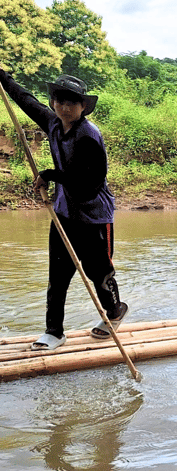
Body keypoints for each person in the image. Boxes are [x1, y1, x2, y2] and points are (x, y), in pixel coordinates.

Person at [0, 67, 128, 350]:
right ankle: (54, 331)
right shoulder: (53, 123)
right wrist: (4, 78)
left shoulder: (88, 137)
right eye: (60, 101)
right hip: (64, 212)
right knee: (57, 275)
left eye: (72, 102)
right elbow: (25, 99)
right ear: (53, 103)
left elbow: (89, 183)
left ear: (83, 107)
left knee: (100, 273)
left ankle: (115, 312)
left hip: (94, 216)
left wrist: (50, 175)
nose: (65, 107)